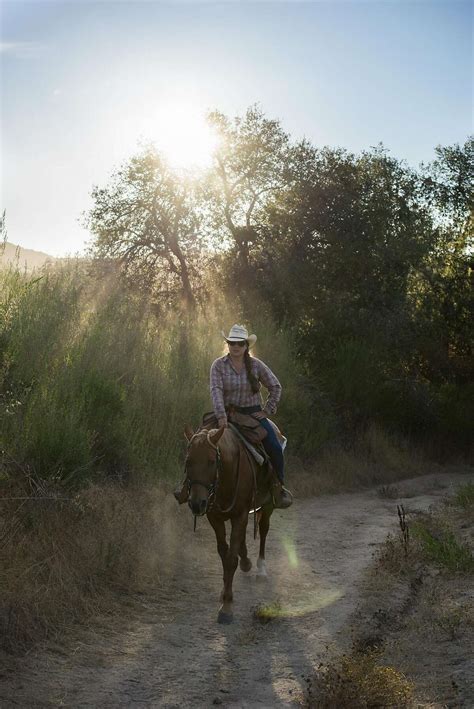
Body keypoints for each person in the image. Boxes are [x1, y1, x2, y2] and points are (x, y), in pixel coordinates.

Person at [175, 324, 292, 509]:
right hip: (225, 414)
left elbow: (275, 386)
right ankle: (186, 488)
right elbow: (216, 391)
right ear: (227, 344)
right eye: (231, 343)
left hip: (252, 415)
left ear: (246, 346)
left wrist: (267, 410)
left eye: (239, 343)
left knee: (275, 447)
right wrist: (221, 417)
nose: (235, 346)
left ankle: (279, 488)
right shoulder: (218, 365)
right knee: (197, 445)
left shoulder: (256, 365)